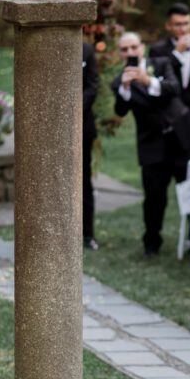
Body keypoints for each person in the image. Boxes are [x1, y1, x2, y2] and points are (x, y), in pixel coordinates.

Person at [111, 32, 186, 257]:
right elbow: (120, 110)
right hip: (151, 144)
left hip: (180, 139)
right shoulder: (119, 81)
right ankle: (151, 242)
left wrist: (148, 81)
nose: (130, 53)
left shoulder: (161, 64)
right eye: (124, 49)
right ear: (119, 54)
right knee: (154, 197)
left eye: (133, 47)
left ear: (142, 48)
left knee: (189, 190)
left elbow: (174, 89)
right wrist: (125, 89)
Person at [149, 3, 190, 133]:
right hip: (168, 116)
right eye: (178, 24)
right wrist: (177, 53)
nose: (183, 29)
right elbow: (157, 83)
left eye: (186, 23)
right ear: (168, 26)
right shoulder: (157, 50)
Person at [81, 42, 100, 250]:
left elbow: (93, 84)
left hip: (82, 127)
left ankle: (87, 234)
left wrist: (73, 107)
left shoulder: (86, 50)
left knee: (84, 181)